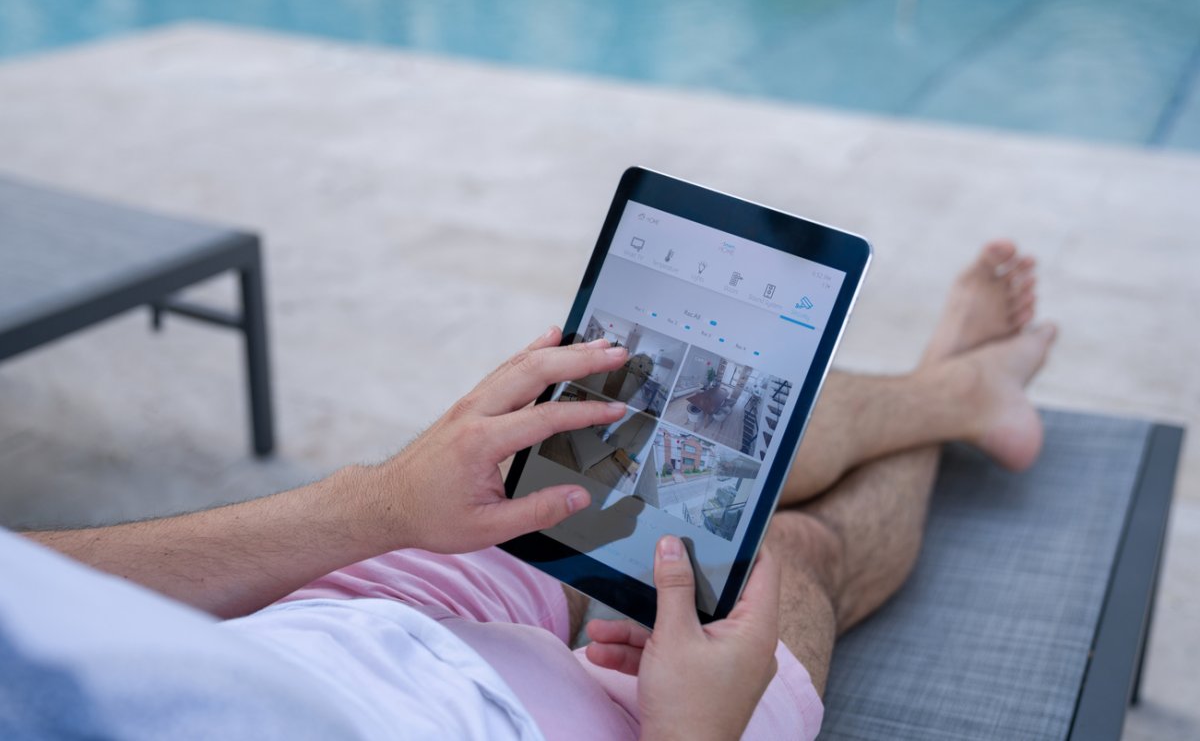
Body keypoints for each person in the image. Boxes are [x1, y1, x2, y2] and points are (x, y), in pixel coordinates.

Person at [3, 241, 1055, 740]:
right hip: (520, 726)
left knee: (637, 427)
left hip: (311, 626)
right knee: (792, 561)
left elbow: (31, 591)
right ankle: (958, 385)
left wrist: (374, 501)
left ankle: (955, 391)